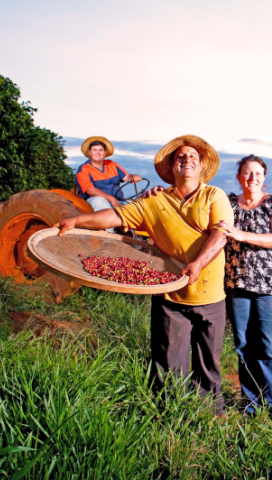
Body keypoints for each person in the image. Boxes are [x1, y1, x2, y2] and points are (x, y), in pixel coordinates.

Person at [57, 135, 234, 415]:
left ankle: (212, 415)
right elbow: (115, 216)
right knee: (168, 363)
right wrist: (77, 220)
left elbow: (220, 234)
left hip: (209, 294)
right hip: (169, 294)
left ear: (201, 167)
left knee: (208, 362)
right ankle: (171, 416)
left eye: (192, 157)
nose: (186, 160)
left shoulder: (214, 195)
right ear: (172, 167)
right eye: (180, 157)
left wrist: (198, 264)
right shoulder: (153, 201)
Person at [217, 155, 272, 420]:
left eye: (257, 173)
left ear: (264, 177)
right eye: (247, 173)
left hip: (268, 285)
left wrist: (241, 235)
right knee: (243, 345)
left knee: (269, 346)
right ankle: (252, 404)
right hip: (236, 283)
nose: (252, 178)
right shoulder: (228, 203)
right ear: (238, 177)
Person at [75, 136, 142, 232]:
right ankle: (109, 235)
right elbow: (90, 190)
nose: (98, 153)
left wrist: (134, 177)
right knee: (98, 201)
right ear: (90, 153)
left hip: (117, 201)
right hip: (95, 201)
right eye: (95, 150)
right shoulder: (83, 169)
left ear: (104, 153)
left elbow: (127, 177)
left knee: (134, 205)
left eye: (101, 150)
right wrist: (111, 199)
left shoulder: (112, 165)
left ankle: (134, 238)